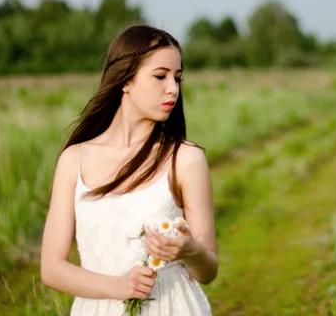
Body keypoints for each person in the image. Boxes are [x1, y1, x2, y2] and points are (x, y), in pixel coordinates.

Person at [40, 24, 217, 315]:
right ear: (125, 80)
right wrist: (119, 287)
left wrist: (190, 251)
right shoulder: (74, 160)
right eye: (160, 76)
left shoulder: (185, 159)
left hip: (172, 307)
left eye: (177, 77)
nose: (173, 88)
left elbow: (208, 271)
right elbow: (51, 268)